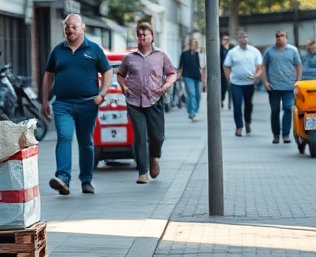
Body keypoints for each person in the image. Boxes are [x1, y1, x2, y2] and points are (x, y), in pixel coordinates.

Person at [41, 14, 112, 195]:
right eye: (67, 27)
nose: (69, 30)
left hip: (88, 104)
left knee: (86, 142)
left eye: (73, 26)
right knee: (64, 137)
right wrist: (44, 101)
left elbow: (108, 71)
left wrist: (102, 94)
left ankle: (86, 180)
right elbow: (48, 76)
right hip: (62, 104)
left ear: (82, 28)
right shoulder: (58, 51)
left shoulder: (94, 49)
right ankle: (63, 178)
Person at [117, 21, 177, 184]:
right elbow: (120, 74)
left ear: (152, 36)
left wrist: (166, 85)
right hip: (134, 101)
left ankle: (154, 157)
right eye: (139, 34)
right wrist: (124, 87)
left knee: (157, 136)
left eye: (145, 34)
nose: (142, 37)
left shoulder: (161, 56)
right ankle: (143, 172)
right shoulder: (129, 58)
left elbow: (172, 73)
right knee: (141, 136)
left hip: (155, 99)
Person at [261, 30, 302, 144]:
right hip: (273, 87)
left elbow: (298, 65)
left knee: (288, 108)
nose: (279, 38)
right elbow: (263, 66)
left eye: (282, 36)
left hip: (288, 86)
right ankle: (276, 135)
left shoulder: (293, 50)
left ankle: (285, 134)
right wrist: (265, 82)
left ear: (286, 38)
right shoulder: (269, 51)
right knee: (275, 111)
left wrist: (298, 81)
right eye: (277, 36)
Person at [223, 31, 262, 137]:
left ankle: (247, 122)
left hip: (249, 83)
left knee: (248, 104)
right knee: (237, 105)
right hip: (236, 83)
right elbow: (226, 65)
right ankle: (239, 127)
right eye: (241, 37)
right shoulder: (233, 52)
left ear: (247, 38)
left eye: (245, 37)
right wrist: (228, 79)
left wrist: (257, 76)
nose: (243, 39)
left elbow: (259, 66)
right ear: (238, 39)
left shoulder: (254, 51)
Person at [178, 37, 206, 121]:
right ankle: (191, 112)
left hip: (197, 77)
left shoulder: (199, 55)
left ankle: (195, 111)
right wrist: (179, 76)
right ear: (189, 44)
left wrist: (204, 81)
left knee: (198, 96)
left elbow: (202, 68)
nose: (193, 45)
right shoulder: (184, 54)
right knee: (192, 94)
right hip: (187, 77)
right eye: (192, 43)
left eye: (195, 43)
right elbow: (180, 66)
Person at [219, 35, 233, 107]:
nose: (226, 41)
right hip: (222, 71)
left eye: (227, 39)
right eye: (224, 39)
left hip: (231, 71)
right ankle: (222, 100)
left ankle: (230, 103)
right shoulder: (220, 49)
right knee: (223, 87)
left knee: (231, 88)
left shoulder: (231, 50)